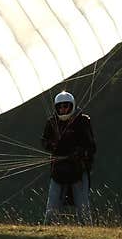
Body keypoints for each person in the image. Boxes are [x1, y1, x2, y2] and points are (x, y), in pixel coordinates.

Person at [41, 90, 96, 225]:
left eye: (66, 106)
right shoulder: (52, 122)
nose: (63, 109)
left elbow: (91, 146)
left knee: (82, 204)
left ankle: (86, 229)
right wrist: (52, 145)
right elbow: (44, 141)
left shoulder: (82, 121)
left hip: (77, 169)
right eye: (60, 107)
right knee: (52, 204)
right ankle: (48, 229)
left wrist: (80, 152)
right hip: (59, 170)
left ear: (72, 106)